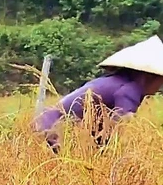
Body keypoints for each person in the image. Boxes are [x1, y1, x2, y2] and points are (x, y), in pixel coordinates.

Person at [35, 36, 163, 151]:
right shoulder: (130, 90)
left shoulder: (112, 82)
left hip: (46, 123)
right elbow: (120, 127)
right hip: (55, 131)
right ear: (149, 77)